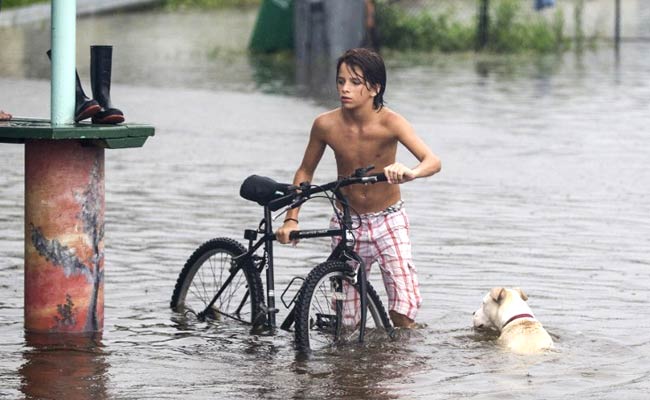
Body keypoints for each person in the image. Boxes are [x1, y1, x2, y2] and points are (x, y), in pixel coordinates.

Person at [276, 48, 441, 328]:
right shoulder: (325, 124)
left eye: (355, 82)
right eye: (341, 81)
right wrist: (292, 219)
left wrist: (409, 172)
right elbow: (305, 171)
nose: (345, 89)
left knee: (403, 311)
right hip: (346, 221)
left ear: (375, 88)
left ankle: (400, 362)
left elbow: (433, 161)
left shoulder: (392, 122)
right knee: (347, 321)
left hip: (388, 220)